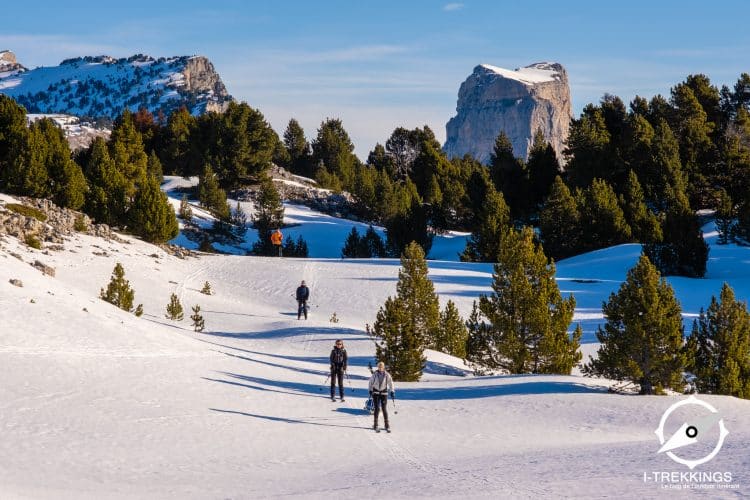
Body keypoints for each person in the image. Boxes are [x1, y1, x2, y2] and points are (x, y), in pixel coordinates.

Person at [368, 361, 395, 432]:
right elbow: (370, 382)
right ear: (378, 367)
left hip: (384, 393)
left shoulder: (387, 375)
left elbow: (391, 383)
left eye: (381, 367)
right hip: (376, 392)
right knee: (376, 408)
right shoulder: (375, 374)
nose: (380, 368)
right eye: (379, 367)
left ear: (383, 367)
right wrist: (370, 390)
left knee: (384, 409)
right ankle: (375, 424)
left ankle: (387, 425)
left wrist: (392, 391)